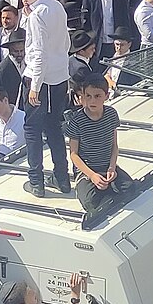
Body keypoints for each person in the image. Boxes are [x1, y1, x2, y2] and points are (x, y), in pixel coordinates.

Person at [14, 0, 72, 197]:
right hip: (59, 76)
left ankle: (36, 180)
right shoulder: (57, 7)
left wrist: (35, 86)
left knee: (32, 129)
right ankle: (62, 177)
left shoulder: (38, 14)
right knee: (54, 127)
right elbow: (64, 43)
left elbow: (38, 53)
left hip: (40, 78)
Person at [63, 69, 130, 220]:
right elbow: (74, 155)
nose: (92, 101)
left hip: (107, 166)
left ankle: (109, 189)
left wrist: (112, 167)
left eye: (97, 96)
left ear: (106, 96)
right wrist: (92, 175)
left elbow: (114, 145)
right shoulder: (77, 121)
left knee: (130, 189)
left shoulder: (111, 114)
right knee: (91, 203)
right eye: (88, 96)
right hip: (87, 172)